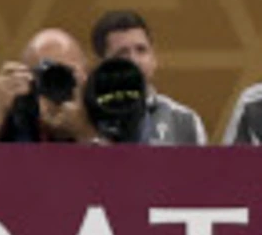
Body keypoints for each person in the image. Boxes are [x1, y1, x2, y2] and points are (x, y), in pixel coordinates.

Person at [83, 10, 209, 146]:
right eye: (122, 54)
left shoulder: (184, 121)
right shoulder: (83, 119)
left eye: (141, 50)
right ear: (101, 65)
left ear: (153, 57)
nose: (135, 61)